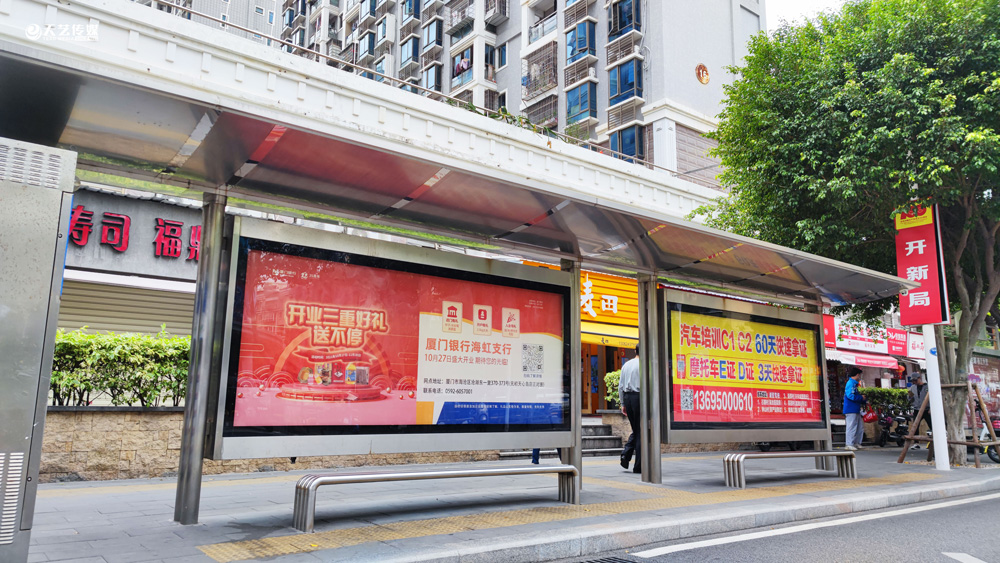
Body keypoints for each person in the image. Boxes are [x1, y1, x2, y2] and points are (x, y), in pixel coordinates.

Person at [619, 345, 642, 473]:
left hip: (628, 397)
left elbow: (620, 386)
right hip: (639, 397)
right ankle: (638, 465)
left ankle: (626, 454)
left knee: (637, 429)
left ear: (635, 351)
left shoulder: (626, 365)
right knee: (641, 431)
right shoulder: (645, 365)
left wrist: (623, 403)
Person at [842, 366, 867, 451]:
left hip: (855, 408)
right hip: (850, 409)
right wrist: (861, 398)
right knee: (851, 427)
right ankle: (849, 444)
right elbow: (850, 395)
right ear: (857, 375)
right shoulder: (850, 383)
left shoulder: (854, 384)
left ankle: (856, 443)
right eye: (859, 375)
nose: (860, 377)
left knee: (859, 427)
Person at [908, 372, 931, 449]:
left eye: (915, 380)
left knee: (931, 425)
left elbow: (932, 398)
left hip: (926, 409)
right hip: (917, 409)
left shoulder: (927, 387)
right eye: (913, 381)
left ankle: (932, 441)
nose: (914, 382)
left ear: (919, 378)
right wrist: (910, 398)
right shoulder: (912, 387)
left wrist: (931, 408)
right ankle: (916, 443)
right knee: (915, 426)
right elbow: (910, 398)